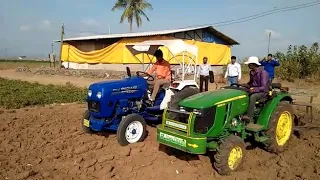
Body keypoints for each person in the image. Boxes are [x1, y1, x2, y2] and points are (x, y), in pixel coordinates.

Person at [242, 56, 269, 121]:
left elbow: (263, 86)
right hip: (253, 89)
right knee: (242, 93)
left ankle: (249, 116)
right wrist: (244, 85)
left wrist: (254, 89)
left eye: (249, 64)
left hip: (262, 92)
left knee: (253, 97)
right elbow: (251, 83)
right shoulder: (252, 72)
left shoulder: (263, 73)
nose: (248, 65)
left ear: (254, 64)